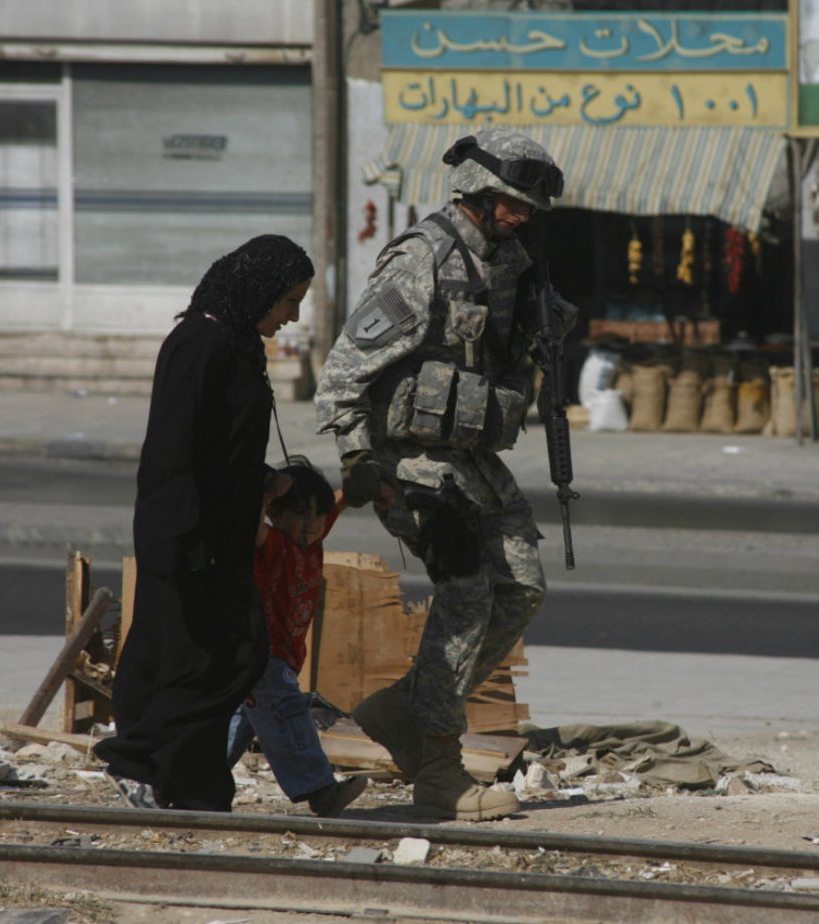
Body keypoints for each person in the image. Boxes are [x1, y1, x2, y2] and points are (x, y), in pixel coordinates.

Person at [315, 128, 575, 821]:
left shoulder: (511, 262)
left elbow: (501, 359)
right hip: (407, 458)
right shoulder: (421, 259)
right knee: (465, 593)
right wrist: (356, 460)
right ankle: (437, 769)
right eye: (511, 203)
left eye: (528, 208)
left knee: (520, 588)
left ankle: (404, 710)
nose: (521, 217)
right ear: (477, 194)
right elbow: (342, 371)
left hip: (468, 457)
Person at [96, 234, 314, 812]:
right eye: (288, 300)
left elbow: (224, 443)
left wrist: (265, 481)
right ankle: (136, 756)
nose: (293, 315)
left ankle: (193, 790)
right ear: (259, 291)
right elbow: (174, 448)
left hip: (220, 533)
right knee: (226, 656)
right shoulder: (199, 342)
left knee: (184, 655)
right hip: (190, 536)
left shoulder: (238, 343)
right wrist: (185, 538)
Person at [225, 456, 368, 817]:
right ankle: (318, 788)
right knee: (289, 714)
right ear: (276, 514)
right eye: (298, 516)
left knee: (232, 727)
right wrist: (262, 495)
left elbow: (335, 504)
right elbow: (252, 524)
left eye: (316, 517)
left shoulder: (312, 539)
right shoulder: (273, 545)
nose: (309, 526)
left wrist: (360, 489)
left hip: (281, 655)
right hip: (264, 653)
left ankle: (183, 782)